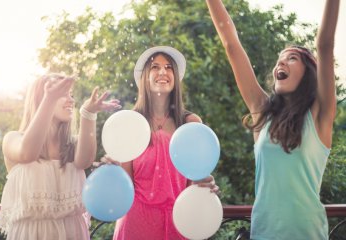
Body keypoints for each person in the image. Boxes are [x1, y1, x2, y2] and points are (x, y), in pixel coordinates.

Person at [206, 0, 340, 239]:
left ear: (308, 72)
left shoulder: (319, 115)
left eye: (291, 58)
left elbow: (326, 45)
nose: (281, 62)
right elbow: (231, 44)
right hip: (263, 234)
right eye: (280, 58)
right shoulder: (262, 111)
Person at [99, 46, 219, 240]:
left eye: (169, 67)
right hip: (136, 223)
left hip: (178, 223)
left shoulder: (190, 124)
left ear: (175, 77)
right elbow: (126, 187)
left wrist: (206, 184)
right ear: (146, 76)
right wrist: (113, 170)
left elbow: (193, 182)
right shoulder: (131, 123)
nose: (162, 71)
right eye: (155, 67)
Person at [0, 73, 121, 240]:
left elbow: (84, 161)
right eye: (63, 94)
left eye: (71, 94)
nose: (71, 100)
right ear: (41, 98)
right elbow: (28, 153)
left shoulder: (73, 145)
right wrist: (49, 99)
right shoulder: (12, 139)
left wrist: (88, 113)